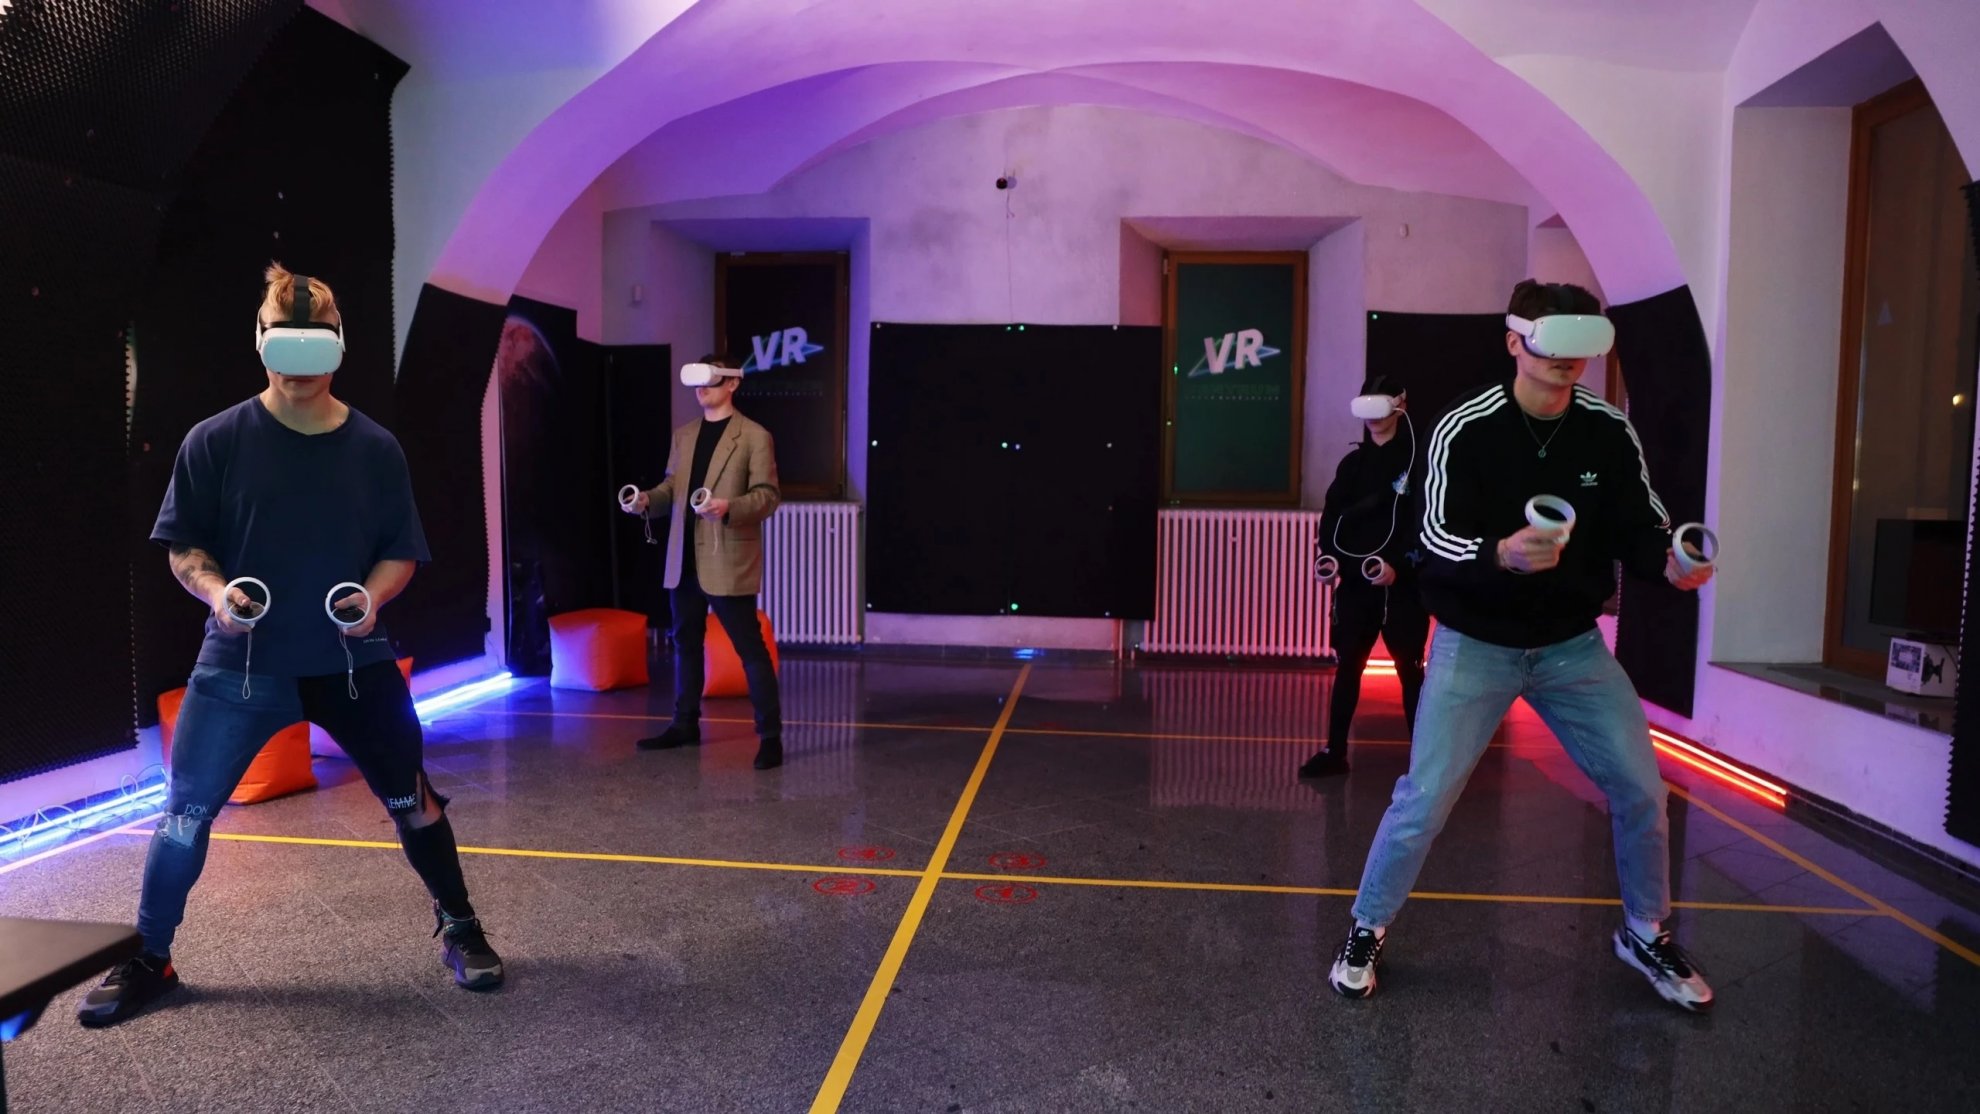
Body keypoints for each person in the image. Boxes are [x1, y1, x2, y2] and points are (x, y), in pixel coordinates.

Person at [80, 264, 503, 1029]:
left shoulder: (375, 448)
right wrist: (218, 595)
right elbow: (184, 547)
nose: (299, 363)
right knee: (183, 816)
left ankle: (461, 925)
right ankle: (151, 957)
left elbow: (399, 552)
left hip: (353, 665)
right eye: (285, 344)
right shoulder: (214, 441)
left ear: (337, 344)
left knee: (414, 803)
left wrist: (371, 598)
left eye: (313, 345)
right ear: (261, 341)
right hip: (239, 665)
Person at [1327, 280, 1716, 1012]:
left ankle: (1644, 932)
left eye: (1580, 347)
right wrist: (1499, 554)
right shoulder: (1463, 427)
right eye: (1550, 345)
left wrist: (1670, 563)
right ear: (1514, 342)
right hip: (1475, 643)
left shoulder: (1607, 429)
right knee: (1424, 800)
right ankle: (1366, 927)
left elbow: (1642, 525)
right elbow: (1430, 537)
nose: (1566, 361)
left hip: (1572, 646)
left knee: (1641, 789)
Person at [621, 355, 784, 770]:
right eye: (696, 381)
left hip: (726, 558)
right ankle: (684, 725)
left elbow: (767, 496)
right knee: (686, 645)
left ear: (732, 384)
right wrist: (645, 501)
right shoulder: (685, 435)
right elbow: (671, 489)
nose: (701, 388)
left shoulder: (754, 436)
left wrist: (729, 507)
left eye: (709, 379)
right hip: (684, 560)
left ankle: (770, 737)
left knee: (750, 648)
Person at [1299, 373, 1429, 779]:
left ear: (1400, 405)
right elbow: (1332, 517)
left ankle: (1425, 763)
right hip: (1355, 585)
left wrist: (1400, 566)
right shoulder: (1352, 465)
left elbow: (1425, 525)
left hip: (1401, 588)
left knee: (1410, 670)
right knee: (1348, 666)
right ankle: (1335, 752)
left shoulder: (1418, 464)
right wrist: (1330, 558)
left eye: (1381, 403)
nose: (1374, 415)